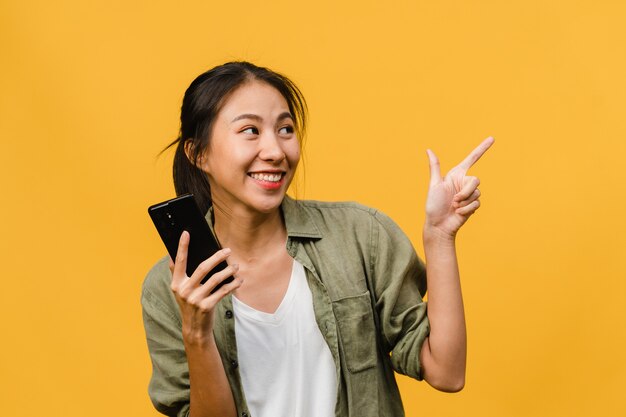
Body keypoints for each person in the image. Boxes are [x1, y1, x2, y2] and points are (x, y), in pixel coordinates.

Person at [141, 61, 494, 417]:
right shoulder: (169, 288)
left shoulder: (360, 236)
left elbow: (447, 372)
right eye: (250, 130)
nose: (276, 151)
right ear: (198, 154)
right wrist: (197, 333)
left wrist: (439, 236)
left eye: (285, 129)